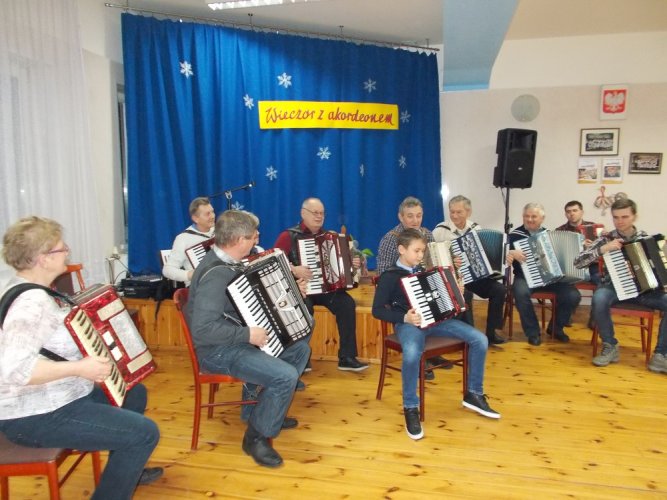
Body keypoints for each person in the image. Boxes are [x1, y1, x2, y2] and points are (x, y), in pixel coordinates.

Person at [0, 216, 162, 500]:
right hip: (35, 415)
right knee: (145, 433)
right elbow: (13, 370)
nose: (67, 252)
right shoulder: (31, 304)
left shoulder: (32, 289)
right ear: (43, 259)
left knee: (133, 393)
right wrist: (79, 367)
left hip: (62, 396)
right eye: (61, 248)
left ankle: (127, 464)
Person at [186, 210, 310, 467]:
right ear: (239, 240)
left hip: (236, 341)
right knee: (285, 376)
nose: (257, 238)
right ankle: (255, 438)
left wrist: (293, 293)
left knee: (300, 350)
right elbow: (203, 329)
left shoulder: (232, 263)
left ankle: (262, 411)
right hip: (217, 351)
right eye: (254, 236)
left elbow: (251, 302)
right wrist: (247, 334)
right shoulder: (215, 274)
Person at [372, 228, 500, 440]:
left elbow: (444, 303)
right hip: (409, 325)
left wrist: (457, 293)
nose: (421, 255)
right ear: (402, 250)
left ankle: (474, 394)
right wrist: (404, 318)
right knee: (412, 353)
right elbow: (377, 310)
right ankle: (410, 407)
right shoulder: (389, 276)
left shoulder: (427, 271)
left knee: (480, 339)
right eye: (417, 251)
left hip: (437, 322)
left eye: (422, 251)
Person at [274, 198, 369, 372]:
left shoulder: (330, 237)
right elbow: (274, 263)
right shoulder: (288, 236)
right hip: (301, 289)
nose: (319, 216)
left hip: (326, 289)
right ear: (303, 213)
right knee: (304, 307)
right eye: (315, 213)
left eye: (322, 213)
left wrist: (353, 263)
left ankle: (347, 357)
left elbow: (342, 267)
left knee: (347, 304)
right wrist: (294, 269)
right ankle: (301, 358)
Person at [573, 198, 667, 372]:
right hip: (614, 288)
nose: (620, 221)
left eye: (624, 217)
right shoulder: (606, 239)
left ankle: (661, 356)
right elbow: (578, 262)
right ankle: (610, 346)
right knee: (599, 297)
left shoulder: (646, 239)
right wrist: (603, 249)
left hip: (644, 291)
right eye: (616, 217)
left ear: (634, 216)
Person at [432, 195, 507, 345]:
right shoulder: (440, 231)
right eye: (452, 212)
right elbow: (432, 258)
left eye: (459, 212)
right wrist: (450, 260)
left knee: (499, 290)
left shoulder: (476, 229)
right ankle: (469, 335)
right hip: (450, 277)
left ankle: (491, 332)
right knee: (465, 293)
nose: (454, 216)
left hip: (473, 276)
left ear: (468, 212)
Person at [507, 203, 581, 345]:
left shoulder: (549, 234)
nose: (529, 219)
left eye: (534, 216)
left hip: (551, 278)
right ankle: (533, 332)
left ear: (542, 218)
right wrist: (510, 252)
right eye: (526, 216)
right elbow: (502, 254)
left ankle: (555, 328)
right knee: (520, 293)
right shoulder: (514, 236)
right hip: (525, 277)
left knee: (573, 295)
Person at [162, 197, 215, 286]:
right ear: (195, 218)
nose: (213, 216)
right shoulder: (183, 239)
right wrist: (190, 274)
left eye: (212, 211)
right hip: (198, 287)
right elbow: (167, 270)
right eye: (207, 214)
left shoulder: (218, 231)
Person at [376, 196, 434, 274]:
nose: (415, 220)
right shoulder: (391, 239)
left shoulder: (428, 235)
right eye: (410, 216)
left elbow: (435, 264)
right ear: (401, 217)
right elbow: (383, 272)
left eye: (419, 216)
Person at [555, 200, 601, 285]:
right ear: (565, 214)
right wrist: (580, 247)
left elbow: (601, 249)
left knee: (601, 280)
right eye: (568, 211)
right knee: (560, 282)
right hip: (571, 267)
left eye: (575, 210)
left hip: (591, 265)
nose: (572, 214)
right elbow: (559, 254)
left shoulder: (593, 226)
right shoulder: (559, 231)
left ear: (582, 212)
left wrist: (594, 245)